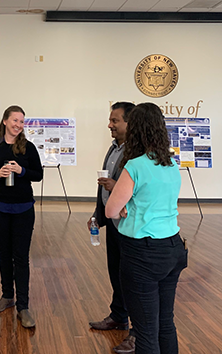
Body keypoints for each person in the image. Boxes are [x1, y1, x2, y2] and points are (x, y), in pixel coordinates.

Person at [105, 103, 188, 354]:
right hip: (173, 248)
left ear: (136, 130)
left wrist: (123, 206)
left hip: (143, 254)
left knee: (145, 333)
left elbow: (110, 210)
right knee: (165, 324)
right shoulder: (172, 165)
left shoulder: (135, 166)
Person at [0, 105, 43, 328]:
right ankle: (7, 296)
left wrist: (21, 171)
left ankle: (23, 307)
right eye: (15, 120)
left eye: (22, 121)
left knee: (21, 257)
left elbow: (39, 175)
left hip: (24, 209)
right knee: (4, 254)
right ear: (5, 121)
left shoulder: (29, 148)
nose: (18, 125)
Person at [88, 101, 136, 354]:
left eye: (115, 120)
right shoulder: (114, 148)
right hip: (114, 223)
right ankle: (118, 316)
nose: (110, 124)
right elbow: (103, 185)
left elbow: (135, 190)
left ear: (130, 122)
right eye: (110, 119)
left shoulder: (138, 153)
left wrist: (116, 185)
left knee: (132, 279)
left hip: (131, 226)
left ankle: (137, 332)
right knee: (115, 272)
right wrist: (98, 215)